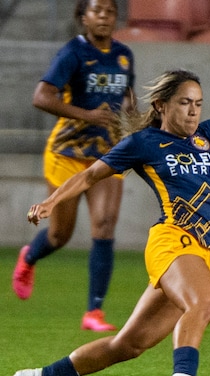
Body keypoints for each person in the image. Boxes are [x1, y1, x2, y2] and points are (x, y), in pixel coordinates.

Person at [11, 22, 210, 376]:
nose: (194, 110)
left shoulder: (209, 135)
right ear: (162, 106)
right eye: (185, 102)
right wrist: (52, 200)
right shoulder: (144, 142)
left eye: (198, 102)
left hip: (201, 250)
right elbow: (91, 174)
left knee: (127, 345)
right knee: (205, 303)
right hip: (173, 241)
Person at [12, 0, 136, 332]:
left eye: (110, 11)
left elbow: (125, 97)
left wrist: (132, 113)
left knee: (105, 226)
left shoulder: (124, 55)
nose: (104, 17)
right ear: (83, 18)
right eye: (97, 11)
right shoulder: (72, 53)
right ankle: (29, 258)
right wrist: (89, 115)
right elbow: (41, 97)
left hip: (106, 153)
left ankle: (94, 312)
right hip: (67, 152)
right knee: (60, 234)